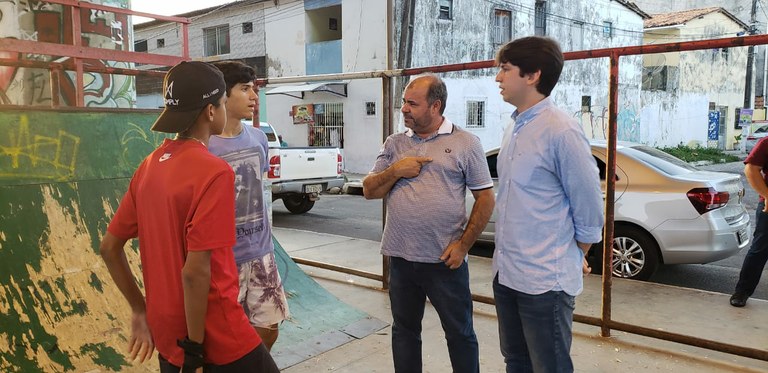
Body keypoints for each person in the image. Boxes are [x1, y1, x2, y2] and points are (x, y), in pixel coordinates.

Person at [99, 61, 279, 373]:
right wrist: (195, 351)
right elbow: (195, 272)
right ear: (211, 111)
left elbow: (109, 247)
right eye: (223, 102)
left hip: (167, 332)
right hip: (216, 335)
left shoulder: (148, 166)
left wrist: (140, 309)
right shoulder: (213, 171)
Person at [362, 74, 495, 373]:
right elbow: (370, 190)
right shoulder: (395, 143)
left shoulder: (465, 143)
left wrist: (463, 246)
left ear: (435, 106)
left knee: (459, 333)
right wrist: (396, 170)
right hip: (401, 258)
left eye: (412, 103)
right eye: (403, 103)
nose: (404, 109)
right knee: (405, 331)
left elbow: (486, 199)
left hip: (443, 261)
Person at [492, 36, 604, 372]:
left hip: (544, 281)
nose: (498, 77)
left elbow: (589, 210)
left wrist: (573, 254)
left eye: (505, 69)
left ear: (532, 75)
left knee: (550, 366)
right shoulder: (515, 125)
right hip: (507, 273)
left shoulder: (561, 131)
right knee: (516, 361)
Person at [208, 61, 289, 349]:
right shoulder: (205, 145)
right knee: (222, 338)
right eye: (244, 89)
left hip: (261, 252)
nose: (254, 97)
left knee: (269, 328)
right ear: (222, 96)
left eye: (254, 89)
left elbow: (260, 192)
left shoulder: (258, 138)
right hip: (222, 259)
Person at [730, 138, 768, 307]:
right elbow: (751, 169)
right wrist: (767, 195)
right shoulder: (766, 143)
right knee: (760, 250)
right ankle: (742, 291)